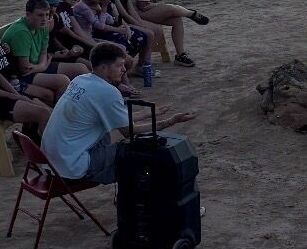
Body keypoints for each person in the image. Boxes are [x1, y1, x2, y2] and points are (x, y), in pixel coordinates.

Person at [41, 42, 194, 184]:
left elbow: (113, 120)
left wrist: (146, 113)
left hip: (52, 161)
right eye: (119, 65)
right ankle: (161, 205)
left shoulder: (80, 80)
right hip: (72, 166)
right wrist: (169, 122)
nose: (124, 69)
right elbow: (129, 131)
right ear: (103, 68)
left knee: (109, 135)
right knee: (146, 155)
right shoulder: (108, 92)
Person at [0, 7, 72, 104]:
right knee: (46, 95)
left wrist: (5, 50)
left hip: (13, 78)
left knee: (49, 94)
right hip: (6, 83)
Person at [0, 0, 88, 84]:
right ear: (28, 15)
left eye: (47, 14)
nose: (45, 19)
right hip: (20, 74)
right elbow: (24, 69)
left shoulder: (43, 25)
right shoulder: (21, 32)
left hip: (37, 65)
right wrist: (43, 66)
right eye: (40, 15)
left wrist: (42, 66)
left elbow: (43, 53)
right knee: (62, 80)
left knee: (81, 69)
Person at [72, 0, 149, 72]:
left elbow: (109, 20)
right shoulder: (82, 7)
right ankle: (119, 75)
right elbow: (99, 26)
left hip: (92, 36)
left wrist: (108, 8)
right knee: (121, 48)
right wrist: (104, 9)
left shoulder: (94, 3)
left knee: (129, 43)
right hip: (87, 39)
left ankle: (121, 73)